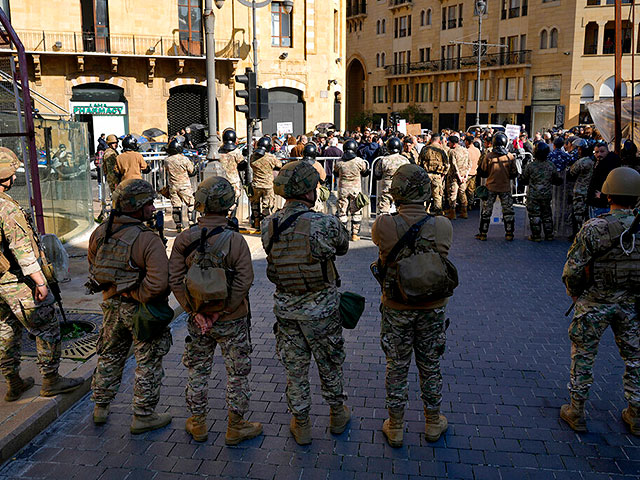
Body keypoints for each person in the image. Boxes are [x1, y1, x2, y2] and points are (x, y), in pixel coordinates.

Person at [261, 161, 350, 445]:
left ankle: (301, 424)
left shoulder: (269, 224)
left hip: (286, 309)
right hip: (321, 309)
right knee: (330, 363)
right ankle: (337, 414)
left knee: (295, 368)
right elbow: (344, 246)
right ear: (309, 192)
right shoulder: (324, 223)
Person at [169, 176, 262, 445]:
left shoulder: (184, 239)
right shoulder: (236, 241)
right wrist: (222, 311)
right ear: (228, 206)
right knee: (237, 374)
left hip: (198, 321)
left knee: (198, 370)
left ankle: (198, 423)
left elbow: (175, 279)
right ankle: (236, 426)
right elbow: (245, 279)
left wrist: (195, 311)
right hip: (232, 319)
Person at [371, 164, 454, 447]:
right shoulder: (442, 225)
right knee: (430, 364)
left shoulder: (383, 224)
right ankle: (433, 422)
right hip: (432, 308)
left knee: (396, 365)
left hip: (396, 307)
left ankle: (395, 426)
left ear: (396, 192)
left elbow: (380, 250)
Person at [88, 179, 173, 433]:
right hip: (140, 310)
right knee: (147, 360)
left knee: (110, 354)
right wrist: (137, 295)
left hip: (111, 307)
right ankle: (143, 415)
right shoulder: (147, 239)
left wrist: (116, 291)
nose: (152, 207)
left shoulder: (101, 232)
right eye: (148, 203)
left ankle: (100, 407)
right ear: (136, 207)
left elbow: (94, 268)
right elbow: (158, 282)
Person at [560, 167, 640, 436]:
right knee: (635, 358)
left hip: (594, 302)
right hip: (631, 304)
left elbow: (572, 269)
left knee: (583, 355)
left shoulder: (595, 227)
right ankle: (636, 413)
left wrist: (575, 292)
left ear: (607, 195)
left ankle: (577, 410)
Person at [0, 148, 82, 402]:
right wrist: (39, 282)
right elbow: (21, 249)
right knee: (47, 326)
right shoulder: (6, 210)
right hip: (16, 281)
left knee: (5, 331)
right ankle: (51, 380)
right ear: (8, 174)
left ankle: (13, 382)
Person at [476, 132, 518, 241]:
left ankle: (483, 234)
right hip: (505, 188)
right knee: (508, 211)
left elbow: (483, 172)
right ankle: (509, 233)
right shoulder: (510, 157)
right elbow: (514, 174)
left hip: (491, 187)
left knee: (486, 212)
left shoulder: (489, 156)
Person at [520, 142, 561, 241]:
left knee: (535, 215)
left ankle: (536, 236)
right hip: (546, 195)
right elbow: (557, 180)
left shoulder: (531, 166)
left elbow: (523, 179)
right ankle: (549, 235)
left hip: (533, 195)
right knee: (547, 214)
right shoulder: (551, 165)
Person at [334, 138, 370, 241]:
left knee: (342, 211)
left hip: (343, 190)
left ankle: (343, 234)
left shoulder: (339, 162)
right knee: (356, 211)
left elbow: (335, 173)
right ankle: (355, 234)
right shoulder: (359, 161)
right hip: (355, 190)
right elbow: (365, 172)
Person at [164, 138, 196, 233]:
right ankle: (191, 222)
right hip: (184, 186)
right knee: (191, 203)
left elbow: (167, 170)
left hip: (173, 186)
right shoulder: (184, 159)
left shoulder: (167, 160)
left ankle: (178, 225)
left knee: (176, 206)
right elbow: (192, 171)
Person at [250, 136, 282, 229]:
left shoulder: (253, 157)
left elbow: (251, 165)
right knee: (267, 206)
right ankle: (265, 225)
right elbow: (279, 165)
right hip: (268, 185)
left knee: (255, 204)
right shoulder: (270, 157)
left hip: (256, 184)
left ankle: (256, 222)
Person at [374, 137, 410, 215]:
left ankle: (384, 226)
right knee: (401, 212)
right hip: (401, 188)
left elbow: (377, 174)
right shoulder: (405, 160)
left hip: (387, 189)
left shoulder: (383, 160)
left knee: (383, 211)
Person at [418, 135, 450, 216]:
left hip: (426, 175)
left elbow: (419, 163)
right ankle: (438, 215)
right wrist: (443, 175)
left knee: (426, 196)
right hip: (437, 176)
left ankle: (425, 213)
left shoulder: (425, 149)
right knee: (437, 197)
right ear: (439, 141)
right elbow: (447, 165)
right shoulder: (442, 150)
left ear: (431, 139)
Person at [588, 143, 621, 218]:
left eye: (602, 151)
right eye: (596, 152)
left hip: (602, 204)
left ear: (608, 151)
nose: (599, 154)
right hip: (596, 202)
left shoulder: (610, 165)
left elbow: (613, 183)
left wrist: (603, 196)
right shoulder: (598, 163)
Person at [569, 140, 594, 235]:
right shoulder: (593, 160)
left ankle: (579, 234)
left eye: (579, 149)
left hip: (580, 190)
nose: (578, 151)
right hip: (588, 190)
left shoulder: (583, 161)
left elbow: (572, 172)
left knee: (578, 214)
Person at [218, 129, 246, 214]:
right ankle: (231, 217)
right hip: (233, 180)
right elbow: (242, 165)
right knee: (234, 201)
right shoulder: (236, 152)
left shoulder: (219, 151)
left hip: (221, 180)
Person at [445, 135, 470, 220]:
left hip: (454, 176)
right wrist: (465, 175)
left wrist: (458, 176)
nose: (449, 144)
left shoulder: (452, 151)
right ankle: (464, 212)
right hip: (464, 176)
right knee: (462, 193)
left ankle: (453, 213)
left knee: (453, 194)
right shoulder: (465, 150)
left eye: (450, 142)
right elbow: (469, 164)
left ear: (453, 143)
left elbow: (453, 165)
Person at [464, 135, 481, 209]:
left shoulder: (467, 151)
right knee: (471, 189)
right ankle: (470, 204)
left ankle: (465, 204)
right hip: (475, 172)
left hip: (467, 173)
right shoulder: (477, 150)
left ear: (467, 142)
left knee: (464, 190)